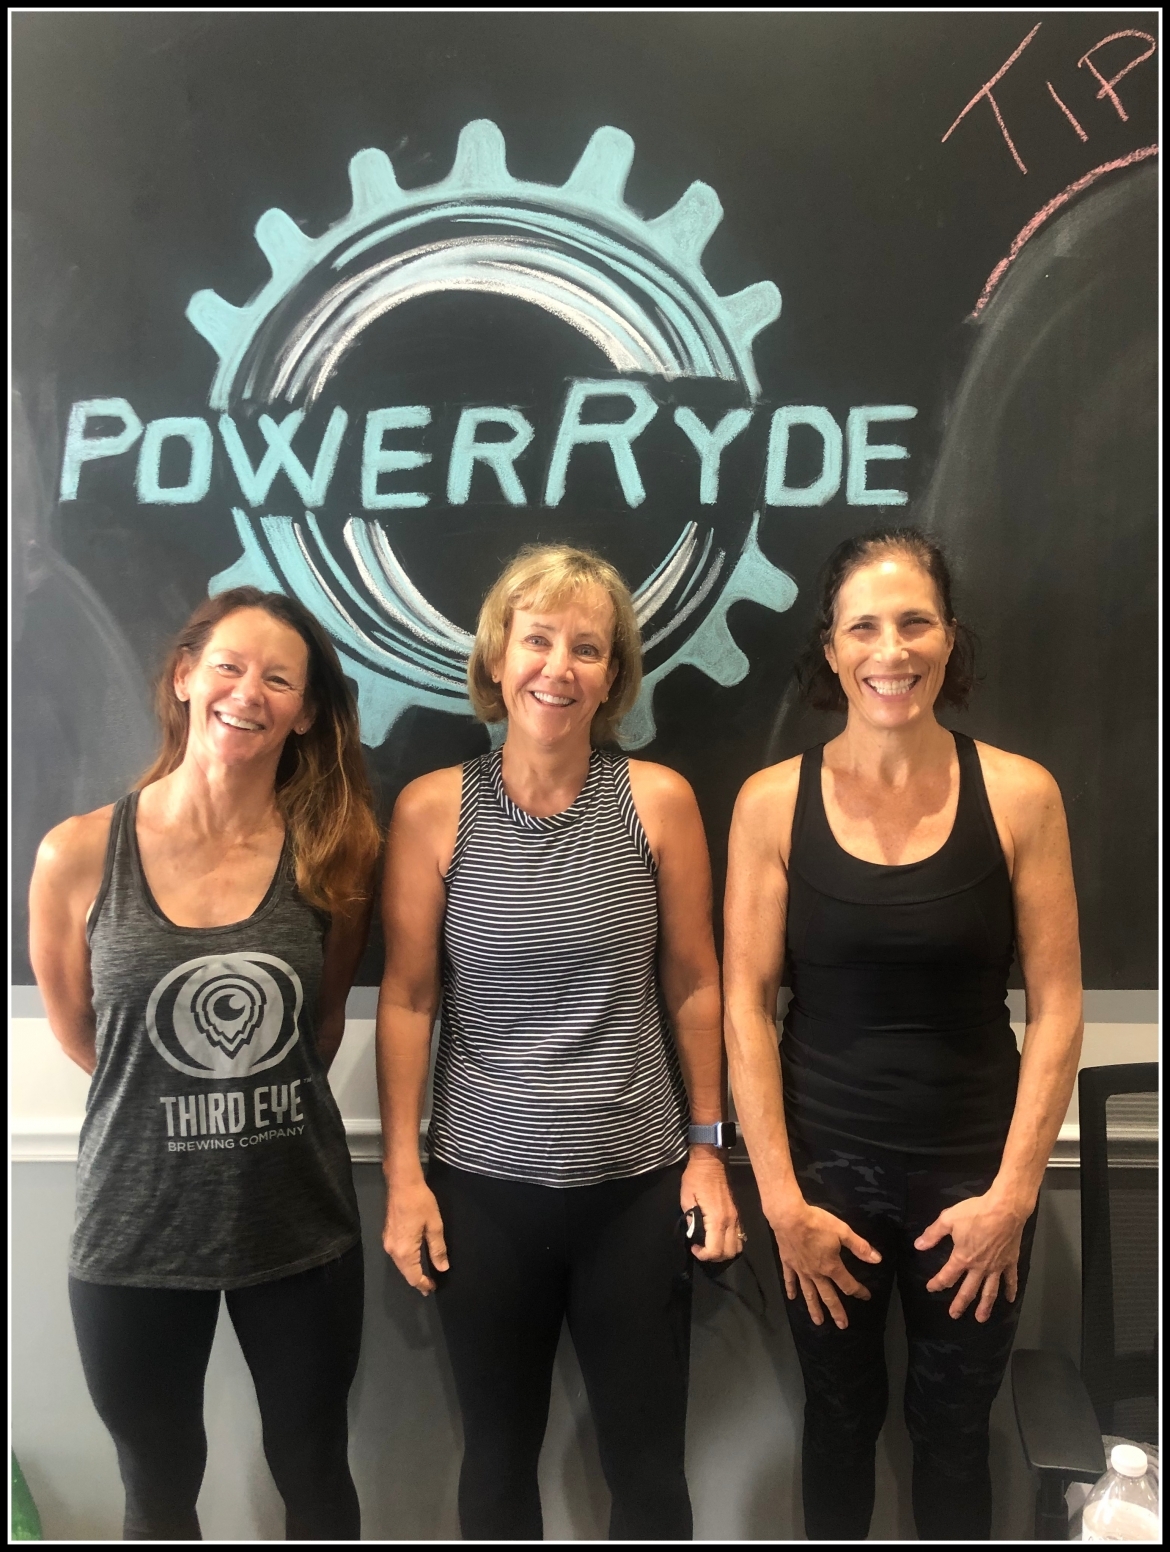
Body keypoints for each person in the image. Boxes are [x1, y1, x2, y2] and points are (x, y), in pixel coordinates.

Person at [723, 527, 1083, 1541]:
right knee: (839, 1421)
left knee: (953, 1428)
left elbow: (1057, 1006)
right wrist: (780, 1198)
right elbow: (747, 1006)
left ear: (949, 638)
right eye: (865, 626)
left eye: (915, 621)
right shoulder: (768, 805)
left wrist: (1013, 1196)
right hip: (824, 1183)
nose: (894, 649)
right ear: (832, 651)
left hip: (975, 1179)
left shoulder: (1021, 795)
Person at [376, 544, 742, 1541]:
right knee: (496, 1472)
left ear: (615, 676)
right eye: (538, 639)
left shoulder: (656, 801)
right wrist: (404, 1176)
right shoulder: (431, 810)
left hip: (634, 1189)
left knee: (651, 1481)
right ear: (499, 656)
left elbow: (697, 982)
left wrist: (709, 1150)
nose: (559, 666)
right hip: (482, 1193)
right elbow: (407, 999)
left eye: (589, 648)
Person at [29, 586, 381, 1541]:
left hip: (297, 1226)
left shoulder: (331, 855)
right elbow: (81, 1031)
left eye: (279, 679)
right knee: (157, 1483)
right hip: (134, 1232)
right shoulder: (74, 855)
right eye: (228, 666)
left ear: (305, 712)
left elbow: (322, 1022)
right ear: (184, 677)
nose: (248, 692)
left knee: (315, 1469)